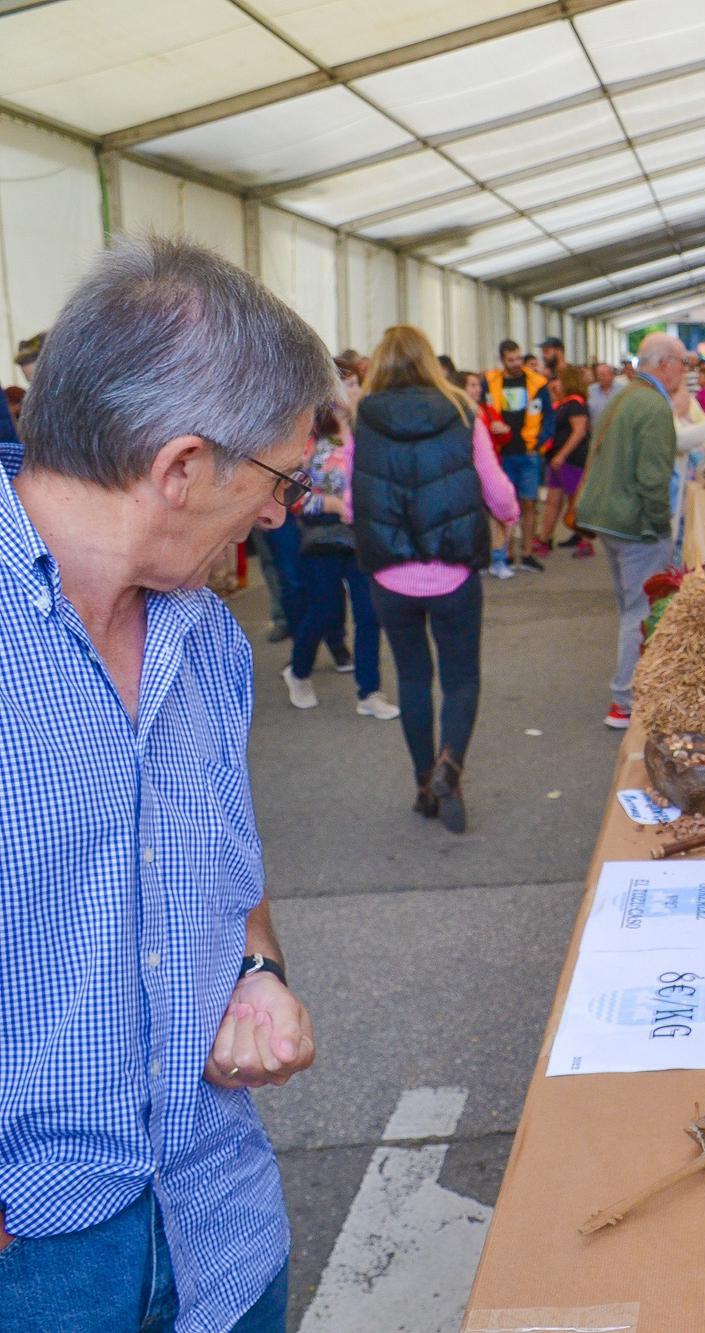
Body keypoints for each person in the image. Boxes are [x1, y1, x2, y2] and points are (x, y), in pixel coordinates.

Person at [1, 236, 320, 1331]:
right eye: (277, 478)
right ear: (183, 467)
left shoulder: (209, 642)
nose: (279, 513)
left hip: (219, 1224)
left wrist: (258, 968)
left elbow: (228, 870)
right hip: (38, 1260)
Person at [353, 325, 519, 833]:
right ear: (430, 362)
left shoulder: (363, 419)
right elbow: (498, 492)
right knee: (461, 678)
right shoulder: (464, 413)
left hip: (390, 575)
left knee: (413, 680)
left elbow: (356, 499)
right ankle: (452, 766)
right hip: (452, 571)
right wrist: (508, 519)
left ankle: (425, 784)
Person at [576, 333, 683, 731]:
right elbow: (653, 478)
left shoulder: (622, 395)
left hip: (608, 517)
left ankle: (633, 689)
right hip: (635, 523)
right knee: (640, 611)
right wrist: (660, 528)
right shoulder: (653, 405)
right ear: (665, 363)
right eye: (682, 365)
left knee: (628, 607)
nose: (684, 374)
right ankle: (625, 699)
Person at [286, 386, 398, 720]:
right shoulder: (309, 439)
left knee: (369, 613)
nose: (357, 389)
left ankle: (369, 692)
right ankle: (299, 671)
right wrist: (333, 504)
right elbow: (292, 495)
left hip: (363, 537)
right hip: (323, 536)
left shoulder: (367, 433)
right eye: (347, 384)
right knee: (324, 612)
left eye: (356, 383)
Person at [485, 340, 548, 575]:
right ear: (502, 360)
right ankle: (508, 553)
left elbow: (548, 416)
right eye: (511, 360)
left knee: (529, 503)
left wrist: (540, 443)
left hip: (528, 452)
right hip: (502, 454)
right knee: (504, 505)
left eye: (518, 358)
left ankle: (528, 552)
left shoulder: (536, 383)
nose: (516, 364)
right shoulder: (490, 383)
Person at [538, 364, 594, 559]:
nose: (556, 383)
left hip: (572, 459)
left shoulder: (576, 405)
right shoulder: (563, 403)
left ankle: (585, 541)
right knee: (553, 501)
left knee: (575, 502)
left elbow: (579, 432)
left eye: (560, 380)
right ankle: (545, 538)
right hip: (558, 460)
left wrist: (562, 455)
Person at [587, 359, 624, 425]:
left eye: (603, 375)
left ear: (611, 375)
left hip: (616, 430)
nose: (601, 377)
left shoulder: (622, 390)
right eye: (598, 375)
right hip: (596, 430)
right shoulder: (591, 390)